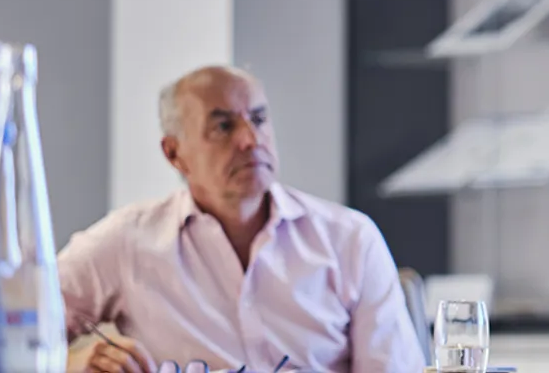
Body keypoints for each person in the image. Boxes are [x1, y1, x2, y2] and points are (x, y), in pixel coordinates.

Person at [59, 66, 423, 373]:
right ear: (174, 153)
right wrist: (70, 363)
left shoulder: (350, 239)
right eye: (223, 126)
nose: (250, 139)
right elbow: (25, 329)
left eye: (259, 119)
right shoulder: (127, 242)